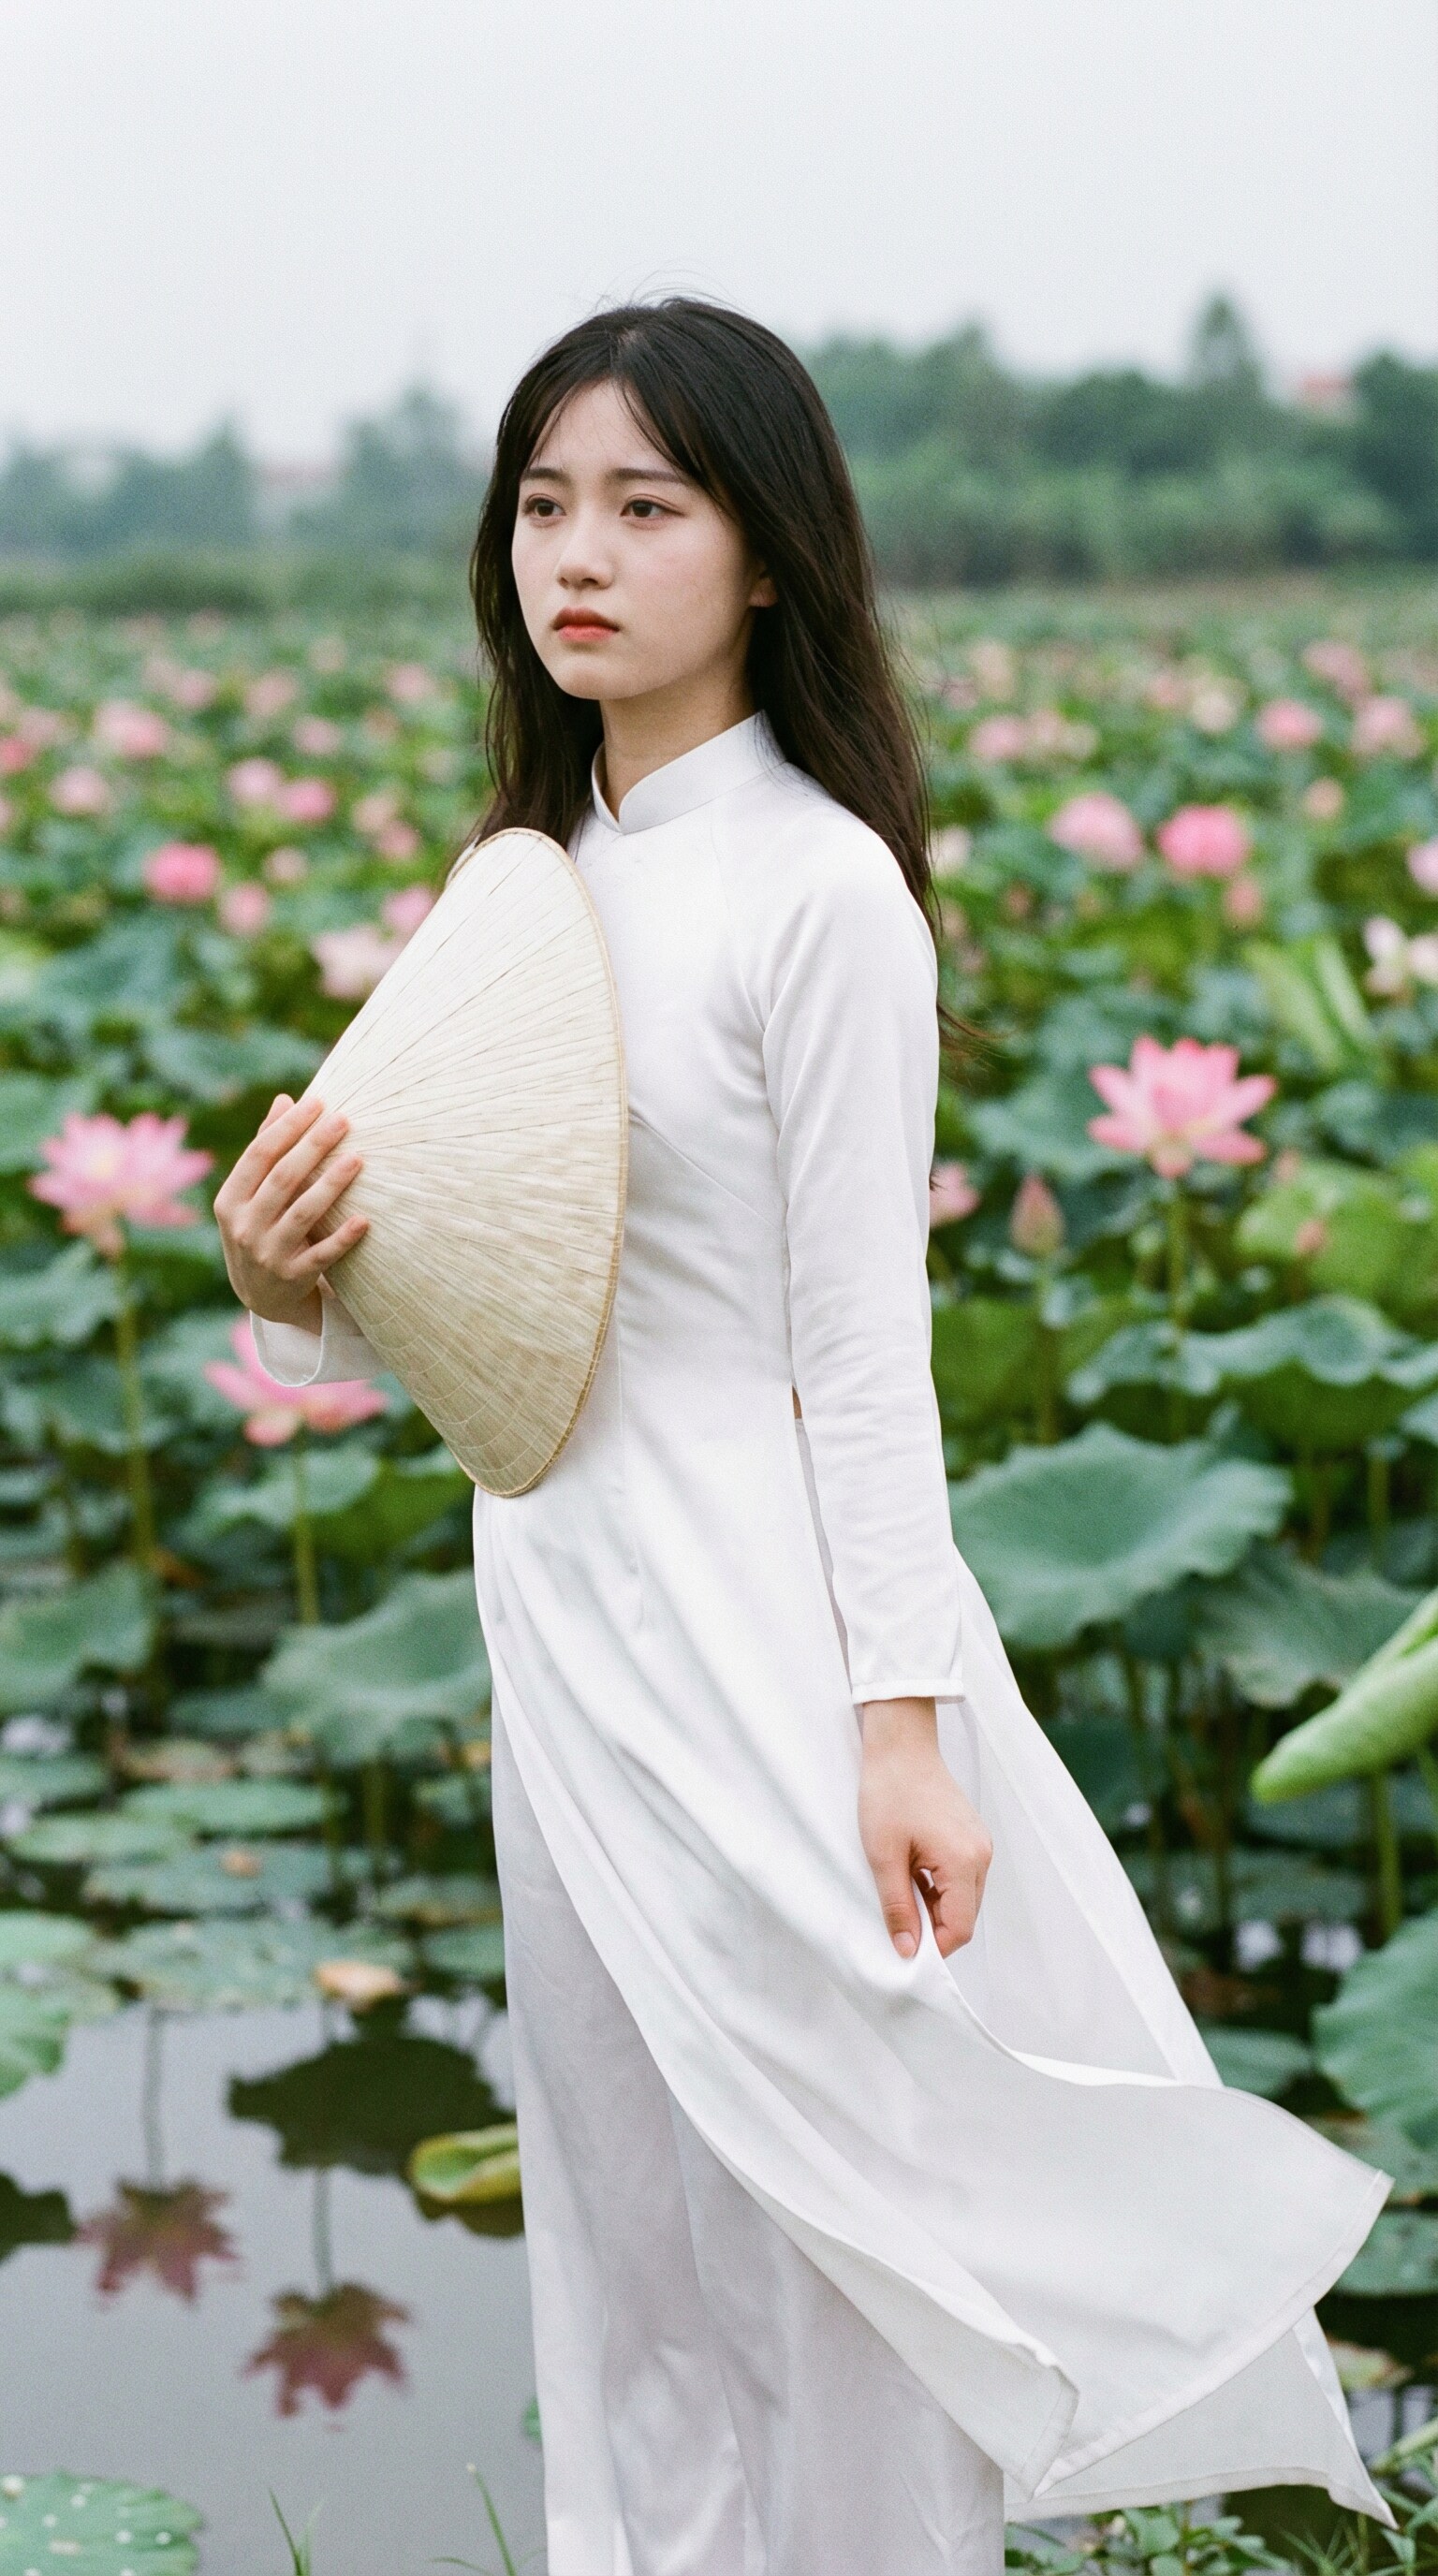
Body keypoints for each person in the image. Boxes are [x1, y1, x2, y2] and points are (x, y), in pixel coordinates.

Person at [215, 300, 1390, 2576]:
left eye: (646, 506)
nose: (579, 554)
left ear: (767, 554)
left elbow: (862, 1353)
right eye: (544, 504)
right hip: (563, 1612)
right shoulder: (524, 879)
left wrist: (904, 1722)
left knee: (821, 2241)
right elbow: (476, 1308)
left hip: (773, 1624)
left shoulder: (822, 886)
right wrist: (284, 1282)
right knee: (624, 2231)